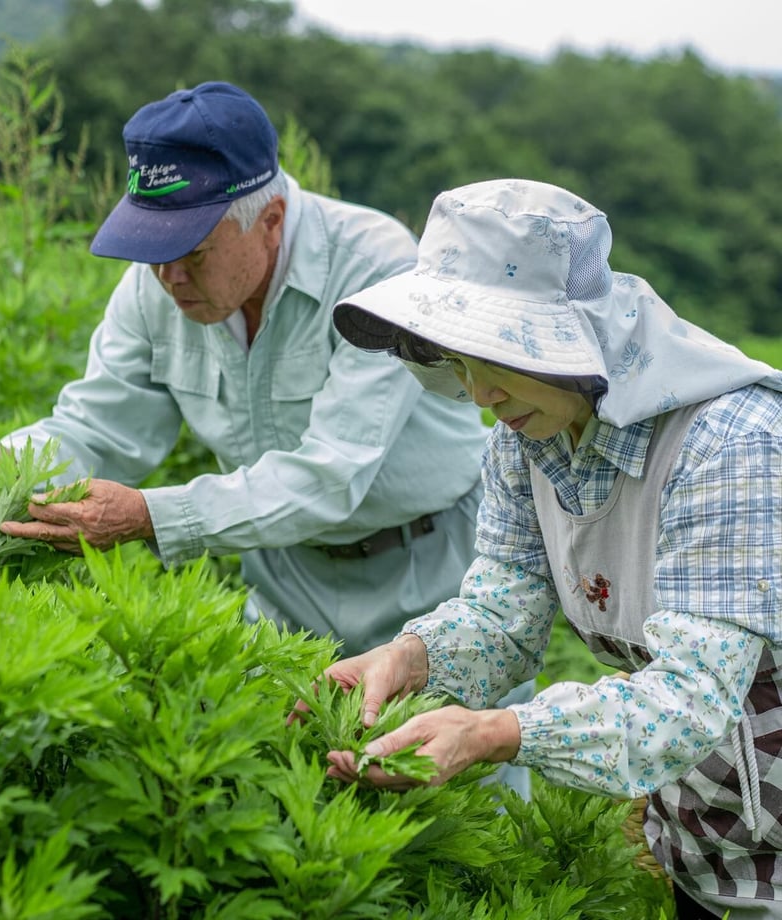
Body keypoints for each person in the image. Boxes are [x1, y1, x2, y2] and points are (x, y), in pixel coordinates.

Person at [0, 82, 534, 781]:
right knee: (289, 789)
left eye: (191, 249)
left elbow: (331, 474)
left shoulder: (373, 266)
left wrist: (147, 516)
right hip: (285, 579)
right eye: (152, 247)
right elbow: (99, 423)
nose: (168, 275)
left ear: (271, 219)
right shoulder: (153, 287)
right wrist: (6, 463)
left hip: (427, 572)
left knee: (462, 809)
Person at [318, 178, 782, 919]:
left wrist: (497, 732)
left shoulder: (729, 444)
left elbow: (691, 699)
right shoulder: (528, 442)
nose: (477, 394)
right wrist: (412, 658)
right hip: (706, 844)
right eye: (455, 361)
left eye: (491, 356)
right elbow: (503, 619)